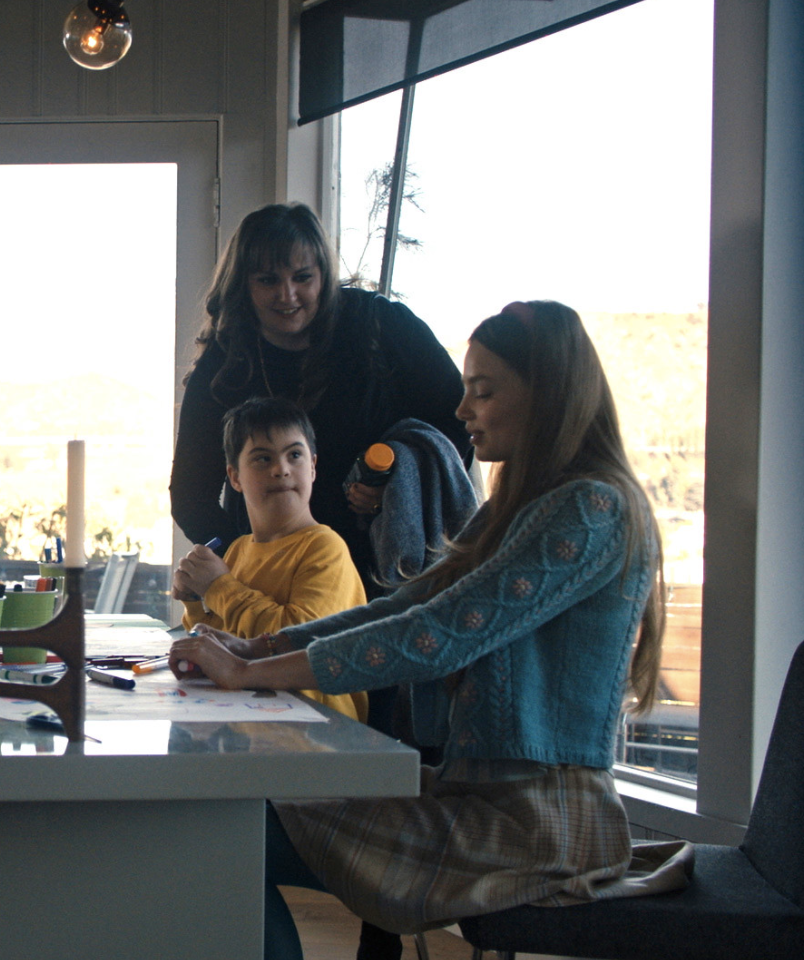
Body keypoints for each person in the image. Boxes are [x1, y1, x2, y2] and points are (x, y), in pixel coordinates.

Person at [169, 301, 689, 959]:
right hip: (483, 802)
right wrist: (260, 647)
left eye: (483, 391)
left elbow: (436, 634)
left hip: (541, 830)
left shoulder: (591, 508)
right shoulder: (518, 507)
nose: (461, 409)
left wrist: (250, 670)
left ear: (548, 393)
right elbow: (408, 605)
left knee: (230, 829)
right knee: (233, 820)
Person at [170, 202, 471, 600]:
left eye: (302, 277)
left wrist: (402, 484)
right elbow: (190, 495)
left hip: (392, 575)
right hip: (281, 590)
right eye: (268, 280)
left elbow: (462, 418)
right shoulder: (225, 365)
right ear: (243, 285)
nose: (287, 295)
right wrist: (245, 561)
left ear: (324, 275)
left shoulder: (381, 327)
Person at [174, 397, 367, 722]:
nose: (281, 469)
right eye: (263, 459)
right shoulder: (238, 550)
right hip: (253, 721)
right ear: (235, 477)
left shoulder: (324, 547)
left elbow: (294, 641)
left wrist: (218, 587)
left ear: (313, 466)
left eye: (295, 455)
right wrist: (196, 600)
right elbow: (223, 647)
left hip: (318, 730)